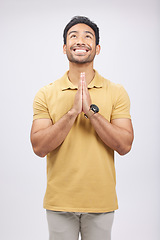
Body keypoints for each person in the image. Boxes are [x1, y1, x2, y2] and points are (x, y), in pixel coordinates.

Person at [30, 16, 134, 240]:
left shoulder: (116, 91)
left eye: (88, 36)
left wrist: (91, 113)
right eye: (73, 36)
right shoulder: (46, 93)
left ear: (97, 49)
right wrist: (71, 113)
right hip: (59, 202)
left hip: (101, 202)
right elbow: (39, 148)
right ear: (65, 47)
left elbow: (125, 145)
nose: (80, 40)